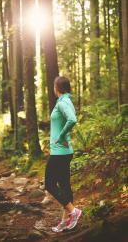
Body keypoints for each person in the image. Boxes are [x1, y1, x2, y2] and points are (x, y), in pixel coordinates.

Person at [44, 76, 82, 233]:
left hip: (60, 152)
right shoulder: (65, 101)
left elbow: (72, 120)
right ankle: (65, 221)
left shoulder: (63, 103)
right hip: (63, 152)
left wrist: (60, 136)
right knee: (65, 186)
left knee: (49, 183)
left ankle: (74, 212)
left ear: (56, 87)